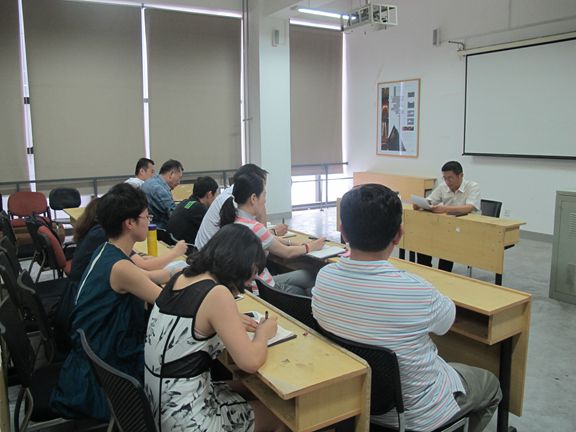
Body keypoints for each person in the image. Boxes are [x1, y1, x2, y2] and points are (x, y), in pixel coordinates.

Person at [312, 184, 501, 432]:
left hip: (354, 404)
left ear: (343, 231)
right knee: (492, 384)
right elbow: (447, 322)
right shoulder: (418, 291)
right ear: (399, 235)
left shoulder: (324, 278)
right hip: (416, 414)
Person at [145, 223, 287, 432]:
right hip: (185, 419)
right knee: (279, 417)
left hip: (157, 405)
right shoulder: (217, 294)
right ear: (241, 264)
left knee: (254, 390)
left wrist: (230, 319)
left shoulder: (180, 277)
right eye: (253, 271)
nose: (252, 279)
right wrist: (263, 333)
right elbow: (250, 362)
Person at [50, 183, 173, 420]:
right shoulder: (120, 267)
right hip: (105, 375)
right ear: (130, 223)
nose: (149, 221)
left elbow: (144, 277)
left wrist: (177, 273)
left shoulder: (106, 250)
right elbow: (169, 302)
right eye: (146, 217)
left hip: (94, 359)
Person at [220, 173, 324, 296]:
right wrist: (311, 246)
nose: (265, 200)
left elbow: (268, 238)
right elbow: (287, 253)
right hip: (263, 286)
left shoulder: (234, 219)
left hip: (256, 282)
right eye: (264, 195)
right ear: (253, 198)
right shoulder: (254, 227)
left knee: (305, 276)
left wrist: (293, 243)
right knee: (306, 285)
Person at [195, 164, 288, 250]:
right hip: (211, 256)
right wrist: (273, 232)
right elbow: (251, 240)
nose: (263, 191)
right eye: (262, 188)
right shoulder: (231, 202)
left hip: (211, 252)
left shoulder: (236, 195)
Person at [414, 161, 481, 272]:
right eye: (444, 178)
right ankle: (425, 270)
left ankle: (444, 272)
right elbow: (431, 200)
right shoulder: (443, 186)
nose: (447, 181)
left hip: (468, 228)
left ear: (460, 176)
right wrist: (420, 204)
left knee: (447, 242)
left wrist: (445, 209)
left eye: (450, 178)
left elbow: (469, 207)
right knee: (424, 237)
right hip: (449, 225)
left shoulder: (472, 187)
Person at [167, 176, 219, 250]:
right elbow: (215, 231)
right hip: (187, 251)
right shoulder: (199, 208)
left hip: (172, 245)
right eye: (215, 195)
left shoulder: (185, 203)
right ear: (209, 194)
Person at [141, 159, 184, 231]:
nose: (179, 182)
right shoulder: (158, 189)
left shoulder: (152, 181)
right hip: (157, 230)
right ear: (171, 174)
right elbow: (174, 215)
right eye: (179, 178)